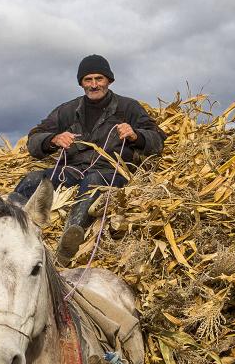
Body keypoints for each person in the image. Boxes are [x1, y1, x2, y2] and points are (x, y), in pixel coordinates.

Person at [12, 54, 164, 261]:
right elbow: (34, 140)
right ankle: (7, 225)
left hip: (110, 171)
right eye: (88, 80)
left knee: (93, 181)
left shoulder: (128, 107)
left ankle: (69, 240)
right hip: (72, 169)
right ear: (81, 83)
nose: (94, 85)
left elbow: (157, 140)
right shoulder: (67, 110)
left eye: (99, 79)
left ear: (109, 80)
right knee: (33, 178)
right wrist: (53, 139)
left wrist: (136, 136)